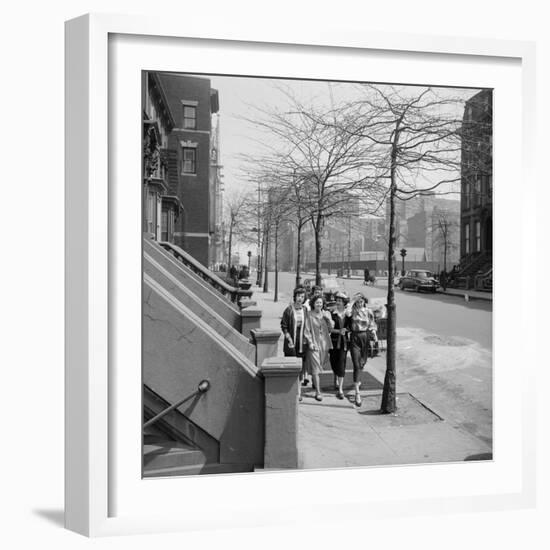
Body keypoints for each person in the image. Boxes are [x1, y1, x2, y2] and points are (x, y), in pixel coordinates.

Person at [303, 295, 334, 401]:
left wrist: (328, 319)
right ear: (313, 304)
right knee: (316, 369)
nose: (319, 305)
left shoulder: (326, 314)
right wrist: (310, 343)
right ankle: (318, 392)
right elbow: (307, 330)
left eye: (320, 303)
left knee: (319, 366)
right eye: (317, 303)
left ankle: (314, 381)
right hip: (314, 345)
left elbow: (331, 328)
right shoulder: (309, 315)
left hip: (324, 344)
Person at [280, 287, 308, 401]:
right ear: (294, 297)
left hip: (302, 342)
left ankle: (299, 392)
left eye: (302, 296)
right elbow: (284, 326)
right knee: (291, 365)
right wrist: (288, 338)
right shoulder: (289, 310)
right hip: (291, 341)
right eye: (298, 296)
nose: (300, 299)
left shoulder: (305, 310)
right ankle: (290, 391)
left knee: (300, 367)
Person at [347, 293, 374, 406]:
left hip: (365, 337)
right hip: (355, 337)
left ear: (364, 301)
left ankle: (357, 380)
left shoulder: (368, 311)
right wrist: (352, 301)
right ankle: (357, 392)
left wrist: (374, 334)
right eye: (358, 301)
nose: (359, 303)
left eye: (361, 301)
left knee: (362, 362)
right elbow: (347, 313)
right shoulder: (352, 311)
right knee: (356, 364)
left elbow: (372, 324)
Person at [329, 292, 350, 399]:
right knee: (333, 362)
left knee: (341, 363)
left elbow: (351, 326)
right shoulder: (332, 314)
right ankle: (335, 378)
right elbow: (329, 329)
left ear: (344, 303)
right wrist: (338, 331)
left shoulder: (348, 315)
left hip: (344, 343)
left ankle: (340, 389)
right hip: (333, 342)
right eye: (337, 301)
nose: (337, 303)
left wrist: (347, 330)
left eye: (340, 301)